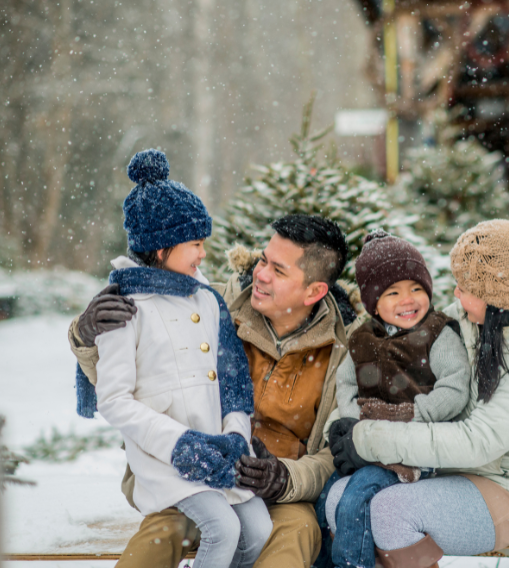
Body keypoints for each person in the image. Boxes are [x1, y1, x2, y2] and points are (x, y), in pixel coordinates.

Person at [69, 211, 361, 568]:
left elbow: (335, 454)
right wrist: (86, 336)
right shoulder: (208, 305)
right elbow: (130, 386)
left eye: (279, 270)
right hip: (190, 474)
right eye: (263, 261)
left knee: (296, 530)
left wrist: (285, 478)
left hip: (279, 493)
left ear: (314, 291)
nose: (261, 274)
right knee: (168, 528)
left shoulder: (342, 354)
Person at [327, 219, 509, 567]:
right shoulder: (474, 322)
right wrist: (346, 423)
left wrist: (368, 440)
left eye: (464, 286)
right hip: (447, 472)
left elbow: (478, 441)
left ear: (496, 299)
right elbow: (389, 372)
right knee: (339, 498)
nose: (455, 293)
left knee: (390, 511)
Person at [80, 149, 272, 568]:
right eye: (196, 245)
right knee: (223, 528)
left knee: (258, 529)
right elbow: (113, 399)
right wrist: (181, 445)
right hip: (165, 457)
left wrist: (236, 436)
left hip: (221, 450)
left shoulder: (206, 298)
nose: (204, 254)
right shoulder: (126, 307)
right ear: (162, 246)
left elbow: (234, 381)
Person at [321, 231, 471, 568]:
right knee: (324, 501)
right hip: (368, 447)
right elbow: (345, 386)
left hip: (415, 449)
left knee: (356, 498)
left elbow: (455, 387)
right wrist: (359, 424)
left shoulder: (437, 333)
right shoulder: (362, 338)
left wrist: (410, 413)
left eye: (417, 289)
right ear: (373, 302)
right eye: (393, 292)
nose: (408, 299)